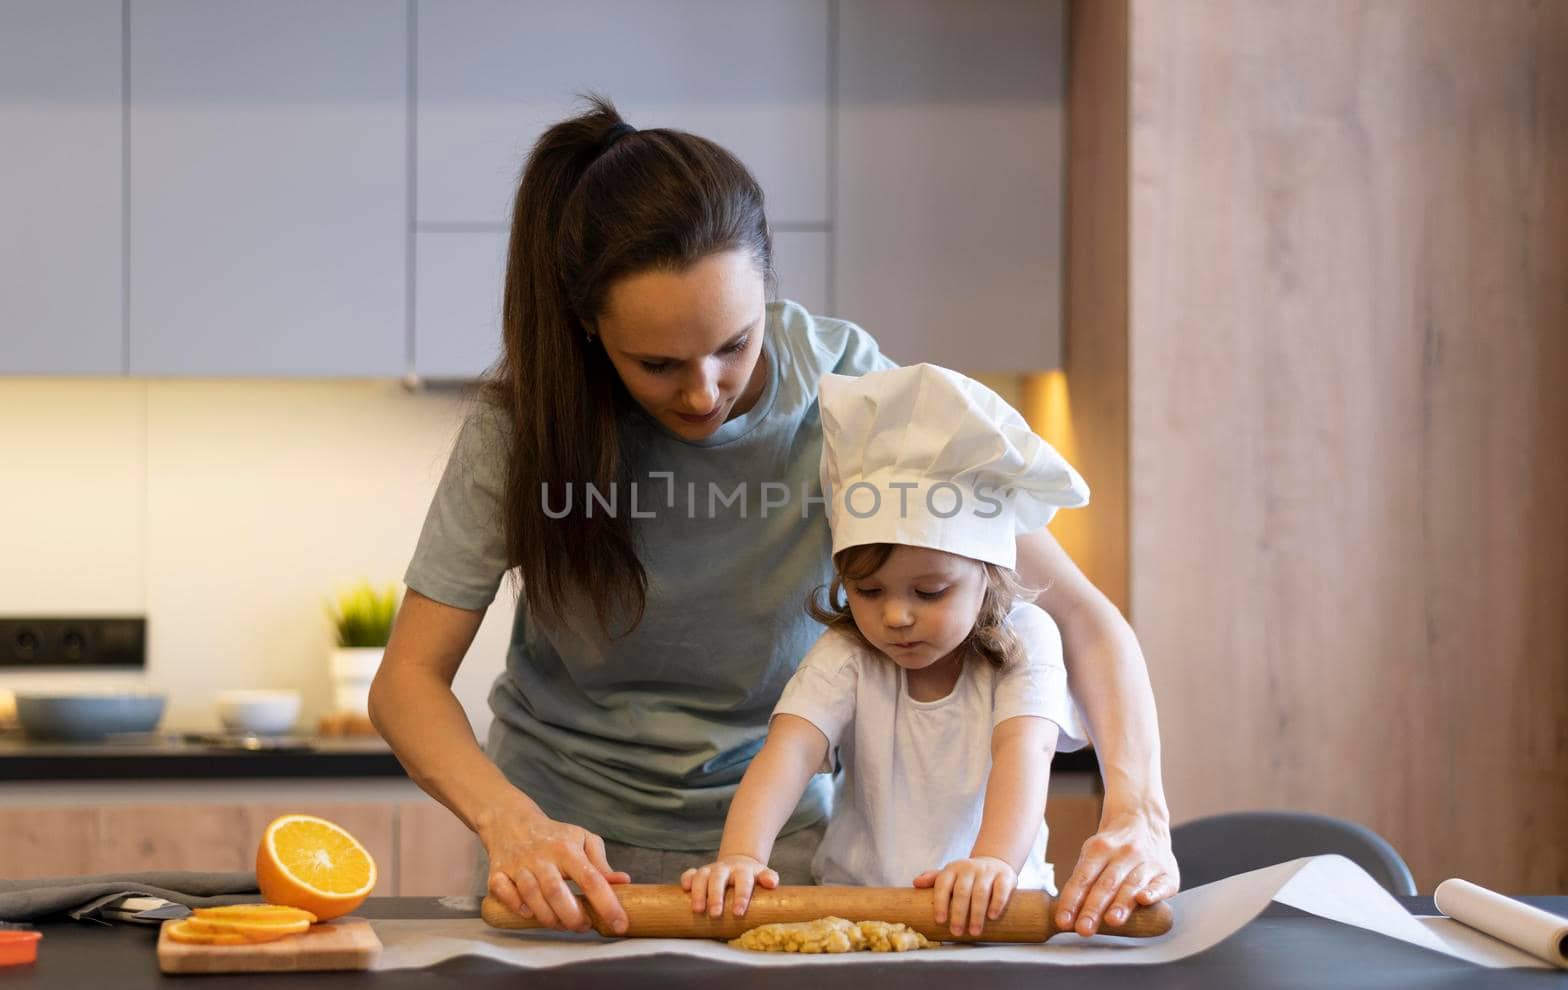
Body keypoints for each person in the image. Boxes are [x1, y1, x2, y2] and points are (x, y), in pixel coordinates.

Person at [368, 96, 1177, 939]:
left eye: (736, 343)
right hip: (566, 862)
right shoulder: (525, 427)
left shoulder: (855, 397)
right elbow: (407, 682)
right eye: (657, 364)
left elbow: (1076, 613)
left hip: (776, 866)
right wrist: (511, 824)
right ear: (587, 329)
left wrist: (1138, 811)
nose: (704, 391)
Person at [681, 364, 1091, 940]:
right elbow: (789, 752)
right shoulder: (848, 651)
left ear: (989, 576)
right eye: (867, 591)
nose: (895, 616)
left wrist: (993, 862)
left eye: (929, 592)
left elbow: (1025, 748)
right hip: (855, 909)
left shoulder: (1027, 640)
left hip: (996, 913)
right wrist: (742, 856)